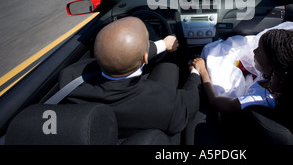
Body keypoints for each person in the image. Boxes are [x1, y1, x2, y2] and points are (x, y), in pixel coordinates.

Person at [58, 16, 201, 139]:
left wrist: (163, 44)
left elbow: (121, 54)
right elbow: (191, 101)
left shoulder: (69, 81)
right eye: (148, 43)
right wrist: (196, 72)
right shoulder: (169, 105)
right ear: (145, 57)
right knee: (171, 58)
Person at [191, 23, 293, 114]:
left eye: (258, 51)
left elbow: (217, 103)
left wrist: (203, 71)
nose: (253, 52)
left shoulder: (261, 100)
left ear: (274, 66)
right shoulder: (289, 79)